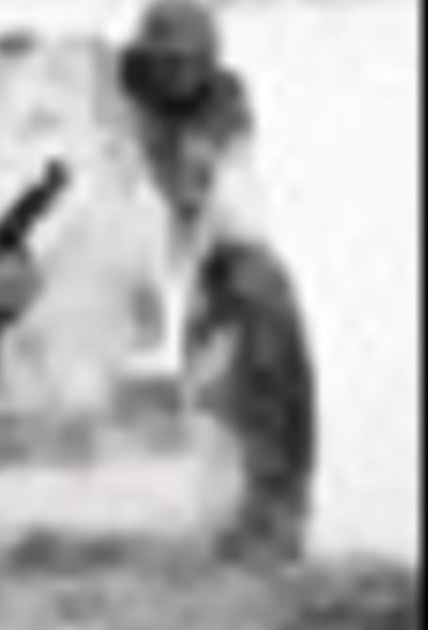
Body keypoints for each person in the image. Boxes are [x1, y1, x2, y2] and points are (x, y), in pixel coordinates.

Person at [118, 0, 318, 563]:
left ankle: (270, 510)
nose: (177, 74)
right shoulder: (108, 96)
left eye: (190, 61)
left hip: (202, 259)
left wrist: (188, 195)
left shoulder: (223, 105)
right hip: (100, 250)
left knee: (256, 288)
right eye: (165, 61)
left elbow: (214, 200)